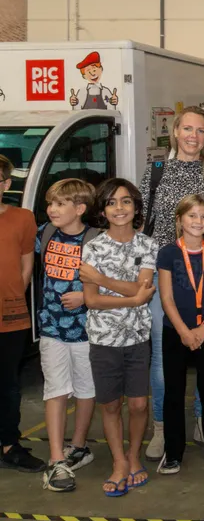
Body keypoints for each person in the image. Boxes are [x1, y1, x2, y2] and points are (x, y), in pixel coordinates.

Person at [138, 106, 204, 461]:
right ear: (175, 132)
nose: (193, 136)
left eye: (200, 130)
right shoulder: (155, 172)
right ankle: (163, 428)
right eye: (187, 129)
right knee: (163, 361)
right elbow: (144, 229)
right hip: (165, 279)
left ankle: (203, 422)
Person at [81, 178, 158, 497]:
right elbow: (92, 300)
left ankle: (133, 456)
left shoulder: (148, 246)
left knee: (139, 405)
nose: (119, 208)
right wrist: (132, 299)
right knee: (111, 405)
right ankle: (118, 463)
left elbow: (143, 288)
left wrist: (100, 278)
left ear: (136, 207)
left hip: (138, 337)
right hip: (103, 340)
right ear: (102, 210)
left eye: (126, 201)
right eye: (111, 202)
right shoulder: (93, 247)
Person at [156, 195, 204, 475]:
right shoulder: (167, 253)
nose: (198, 222)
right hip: (175, 331)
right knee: (174, 391)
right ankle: (173, 451)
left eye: (203, 217)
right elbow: (166, 298)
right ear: (180, 220)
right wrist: (184, 332)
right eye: (192, 216)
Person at [36, 179, 98, 492]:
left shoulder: (96, 241)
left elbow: (109, 283)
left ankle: (78, 446)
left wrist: (85, 298)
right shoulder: (44, 233)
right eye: (50, 204)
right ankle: (57, 458)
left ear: (80, 209)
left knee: (86, 389)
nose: (52, 210)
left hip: (87, 331)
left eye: (60, 204)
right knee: (55, 390)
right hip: (51, 330)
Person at [0, 155, 47, 474]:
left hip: (11, 316)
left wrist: (14, 297)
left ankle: (8, 444)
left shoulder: (23, 218)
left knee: (8, 384)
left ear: (5, 183)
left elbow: (27, 266)